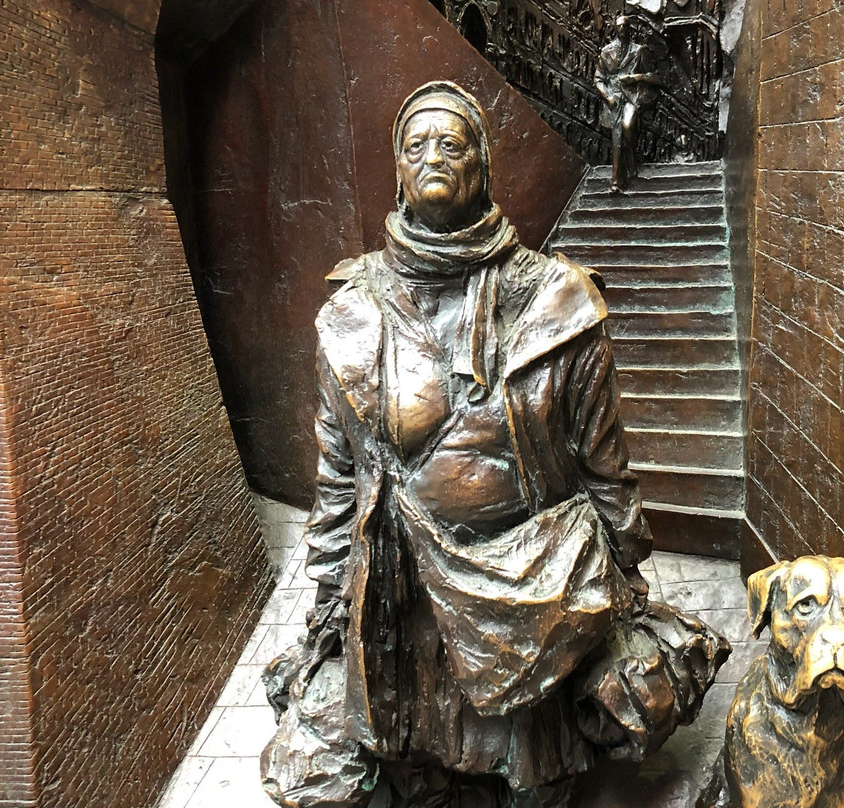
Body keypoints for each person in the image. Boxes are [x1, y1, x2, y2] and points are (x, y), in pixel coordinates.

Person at [261, 81, 726, 808]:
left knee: (531, 774)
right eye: (416, 146)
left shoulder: (559, 300)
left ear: (483, 165)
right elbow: (338, 480)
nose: (433, 156)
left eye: (453, 143)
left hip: (533, 580)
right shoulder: (351, 314)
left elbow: (606, 463)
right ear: (397, 172)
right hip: (404, 577)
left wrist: (627, 576)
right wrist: (326, 604)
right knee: (412, 764)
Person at [595, 16, 659, 192]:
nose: (622, 29)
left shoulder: (638, 50)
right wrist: (608, 97)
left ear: (629, 28)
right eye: (619, 26)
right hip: (614, 99)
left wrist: (636, 77)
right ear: (615, 29)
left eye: (625, 26)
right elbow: (599, 79)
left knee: (627, 125)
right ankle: (617, 181)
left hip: (631, 97)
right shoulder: (606, 51)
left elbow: (654, 77)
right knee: (617, 136)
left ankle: (631, 160)